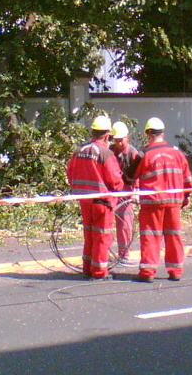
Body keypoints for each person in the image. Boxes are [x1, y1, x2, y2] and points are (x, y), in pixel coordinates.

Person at [131, 117, 192, 283]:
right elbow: (188, 179)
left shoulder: (144, 154)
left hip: (152, 203)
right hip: (173, 202)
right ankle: (175, 270)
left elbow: (129, 176)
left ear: (148, 134)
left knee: (151, 236)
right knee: (173, 235)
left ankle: (148, 271)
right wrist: (185, 197)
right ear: (162, 133)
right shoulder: (177, 153)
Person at [65, 114, 124, 280]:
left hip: (84, 200)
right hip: (102, 202)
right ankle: (98, 271)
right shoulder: (105, 153)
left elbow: (70, 173)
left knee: (89, 234)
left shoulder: (79, 151)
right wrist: (120, 189)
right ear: (107, 135)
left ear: (92, 132)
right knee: (102, 236)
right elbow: (114, 180)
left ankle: (87, 267)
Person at [109, 121, 141, 266]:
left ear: (127, 137)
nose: (118, 143)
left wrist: (136, 191)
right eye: (116, 140)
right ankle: (106, 253)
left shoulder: (133, 154)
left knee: (125, 224)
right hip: (112, 191)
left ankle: (124, 254)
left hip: (127, 192)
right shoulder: (110, 151)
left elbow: (138, 173)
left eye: (121, 140)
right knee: (108, 223)